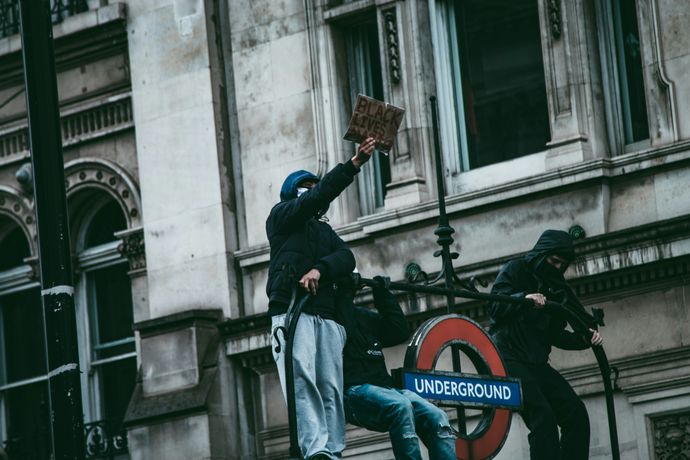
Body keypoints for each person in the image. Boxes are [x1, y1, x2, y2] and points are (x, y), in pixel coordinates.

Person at [267, 137, 376, 460]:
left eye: (314, 186)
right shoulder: (282, 218)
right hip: (292, 310)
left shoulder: (325, 232)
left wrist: (319, 269)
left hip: (325, 315)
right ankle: (314, 449)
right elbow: (313, 199)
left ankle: (332, 450)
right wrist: (352, 165)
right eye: (306, 187)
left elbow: (346, 257)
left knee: (329, 384)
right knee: (302, 380)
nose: (313, 192)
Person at [488, 229, 604, 460]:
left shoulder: (559, 290)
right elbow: (494, 306)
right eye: (553, 261)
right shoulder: (516, 268)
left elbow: (556, 335)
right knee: (542, 416)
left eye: (562, 264)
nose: (557, 268)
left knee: (575, 412)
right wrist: (524, 299)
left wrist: (584, 339)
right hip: (508, 356)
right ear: (542, 254)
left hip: (537, 362)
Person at [338, 276, 457, 460]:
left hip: (387, 389)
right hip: (355, 391)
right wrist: (344, 292)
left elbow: (398, 331)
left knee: (438, 417)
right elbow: (344, 324)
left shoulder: (364, 317)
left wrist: (382, 294)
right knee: (401, 407)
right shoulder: (331, 317)